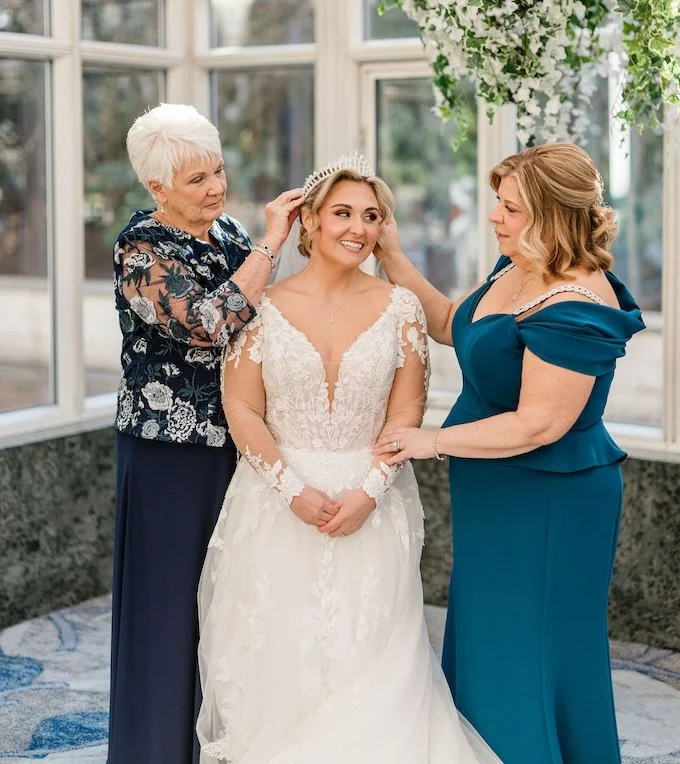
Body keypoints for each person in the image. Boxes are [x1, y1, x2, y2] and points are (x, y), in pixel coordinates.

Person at [196, 155, 501, 764]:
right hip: (276, 503)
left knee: (372, 662)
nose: (357, 228)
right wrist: (291, 488)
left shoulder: (401, 308)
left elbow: (405, 412)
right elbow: (243, 409)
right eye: (342, 213)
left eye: (371, 216)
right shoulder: (261, 305)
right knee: (279, 660)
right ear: (308, 220)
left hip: (373, 503)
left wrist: (369, 490)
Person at [374, 142, 645, 764]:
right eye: (498, 202)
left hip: (548, 498)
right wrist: (392, 255)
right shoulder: (518, 265)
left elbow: (539, 425)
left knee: (532, 648)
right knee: (492, 639)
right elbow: (450, 323)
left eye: (511, 207)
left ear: (553, 215)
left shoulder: (576, 303)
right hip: (494, 493)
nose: (495, 216)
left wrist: (430, 440)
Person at [107, 103, 303, 764]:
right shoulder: (141, 249)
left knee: (229, 601)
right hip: (168, 455)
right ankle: (152, 750)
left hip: (237, 443)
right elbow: (210, 322)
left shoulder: (226, 231)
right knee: (167, 613)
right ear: (158, 188)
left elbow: (265, 313)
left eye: (217, 170)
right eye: (196, 179)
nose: (215, 186)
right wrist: (273, 245)